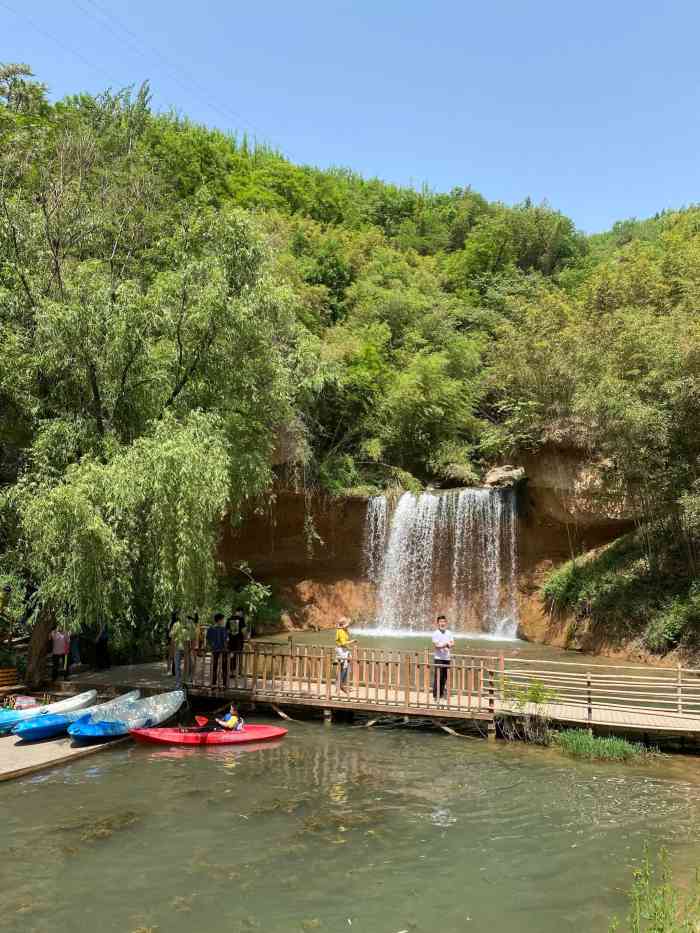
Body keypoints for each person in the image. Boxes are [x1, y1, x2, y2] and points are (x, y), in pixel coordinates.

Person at [432, 614, 454, 702]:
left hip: (447, 658)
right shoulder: (435, 633)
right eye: (441, 622)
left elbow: (453, 643)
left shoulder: (449, 633)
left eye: (444, 622)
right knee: (438, 677)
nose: (442, 623)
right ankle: (436, 696)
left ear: (446, 623)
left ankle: (441, 695)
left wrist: (450, 644)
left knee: (444, 677)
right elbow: (436, 645)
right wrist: (444, 645)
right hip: (438, 658)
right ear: (438, 623)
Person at [335, 617, 356, 694]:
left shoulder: (344, 630)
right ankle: (340, 685)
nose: (348, 625)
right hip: (341, 650)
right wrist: (352, 641)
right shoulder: (340, 631)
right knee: (344, 668)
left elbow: (345, 640)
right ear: (343, 625)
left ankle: (340, 684)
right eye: (347, 624)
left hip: (344, 650)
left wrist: (347, 629)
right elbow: (343, 643)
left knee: (346, 668)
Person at [207, 612, 227, 686]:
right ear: (219, 620)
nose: (223, 621)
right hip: (222, 650)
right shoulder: (223, 629)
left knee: (214, 667)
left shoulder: (210, 629)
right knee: (224, 668)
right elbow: (225, 640)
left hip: (214, 650)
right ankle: (224, 684)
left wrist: (210, 646)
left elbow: (208, 640)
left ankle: (213, 683)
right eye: (222, 620)